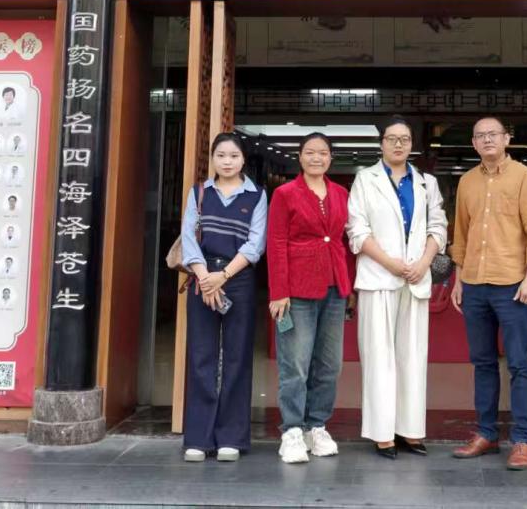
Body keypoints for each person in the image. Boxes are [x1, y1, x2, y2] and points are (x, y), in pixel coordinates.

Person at [450, 116, 527, 471]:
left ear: (507, 138)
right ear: (473, 143)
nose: (487, 139)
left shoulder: (525, 177)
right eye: (480, 135)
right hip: (474, 283)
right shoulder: (467, 181)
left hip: (512, 283)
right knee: (483, 362)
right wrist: (458, 279)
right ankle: (486, 433)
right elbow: (461, 233)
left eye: (493, 134)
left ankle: (522, 439)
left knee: (520, 363)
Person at [346, 116, 447, 458]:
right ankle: (382, 434)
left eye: (404, 139)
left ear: (412, 144)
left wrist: (423, 263)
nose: (399, 144)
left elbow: (438, 227)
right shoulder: (365, 179)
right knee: (379, 356)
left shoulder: (426, 182)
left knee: (413, 357)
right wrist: (390, 263)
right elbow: (357, 229)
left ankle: (410, 430)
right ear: (382, 143)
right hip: (378, 277)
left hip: (416, 278)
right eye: (392, 138)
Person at [180, 132, 267, 464]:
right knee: (201, 357)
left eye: (233, 156)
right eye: (221, 155)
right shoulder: (199, 193)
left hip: (238, 279)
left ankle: (231, 437)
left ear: (243, 159)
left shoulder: (256, 195)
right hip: (202, 277)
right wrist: (205, 278)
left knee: (237, 357)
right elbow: (188, 237)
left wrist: (223, 276)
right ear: (212, 159)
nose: (227, 161)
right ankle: (198, 438)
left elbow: (255, 244)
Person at [267, 132, 351, 465]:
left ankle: (317, 425)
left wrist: (348, 286)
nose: (317, 158)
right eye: (310, 152)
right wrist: (279, 291)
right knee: (296, 365)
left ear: (331, 158)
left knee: (330, 364)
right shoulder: (285, 193)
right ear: (300, 157)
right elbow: (276, 243)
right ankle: (292, 429)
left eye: (323, 153)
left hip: (334, 289)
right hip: (297, 291)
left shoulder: (341, 193)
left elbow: (341, 241)